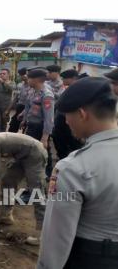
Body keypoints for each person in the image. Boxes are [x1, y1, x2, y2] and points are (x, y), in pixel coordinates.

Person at [38, 77, 118, 269]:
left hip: (92, 256)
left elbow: (57, 237)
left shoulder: (74, 168)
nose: (65, 121)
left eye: (67, 115)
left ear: (82, 114)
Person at [0, 133, 46, 230]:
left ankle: (42, 231)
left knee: (36, 189)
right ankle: (6, 216)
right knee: (8, 181)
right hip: (20, 155)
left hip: (34, 152)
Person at [52, 69, 83, 160]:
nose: (63, 80)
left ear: (73, 78)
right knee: (58, 138)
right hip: (61, 119)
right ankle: (63, 157)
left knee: (73, 141)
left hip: (70, 120)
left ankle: (74, 159)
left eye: (65, 78)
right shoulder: (66, 87)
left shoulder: (80, 89)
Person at [7, 67, 30, 132]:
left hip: (29, 109)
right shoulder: (20, 85)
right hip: (20, 107)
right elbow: (15, 98)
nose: (22, 77)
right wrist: (8, 109)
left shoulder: (33, 86)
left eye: (23, 75)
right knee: (12, 127)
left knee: (27, 129)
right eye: (21, 75)